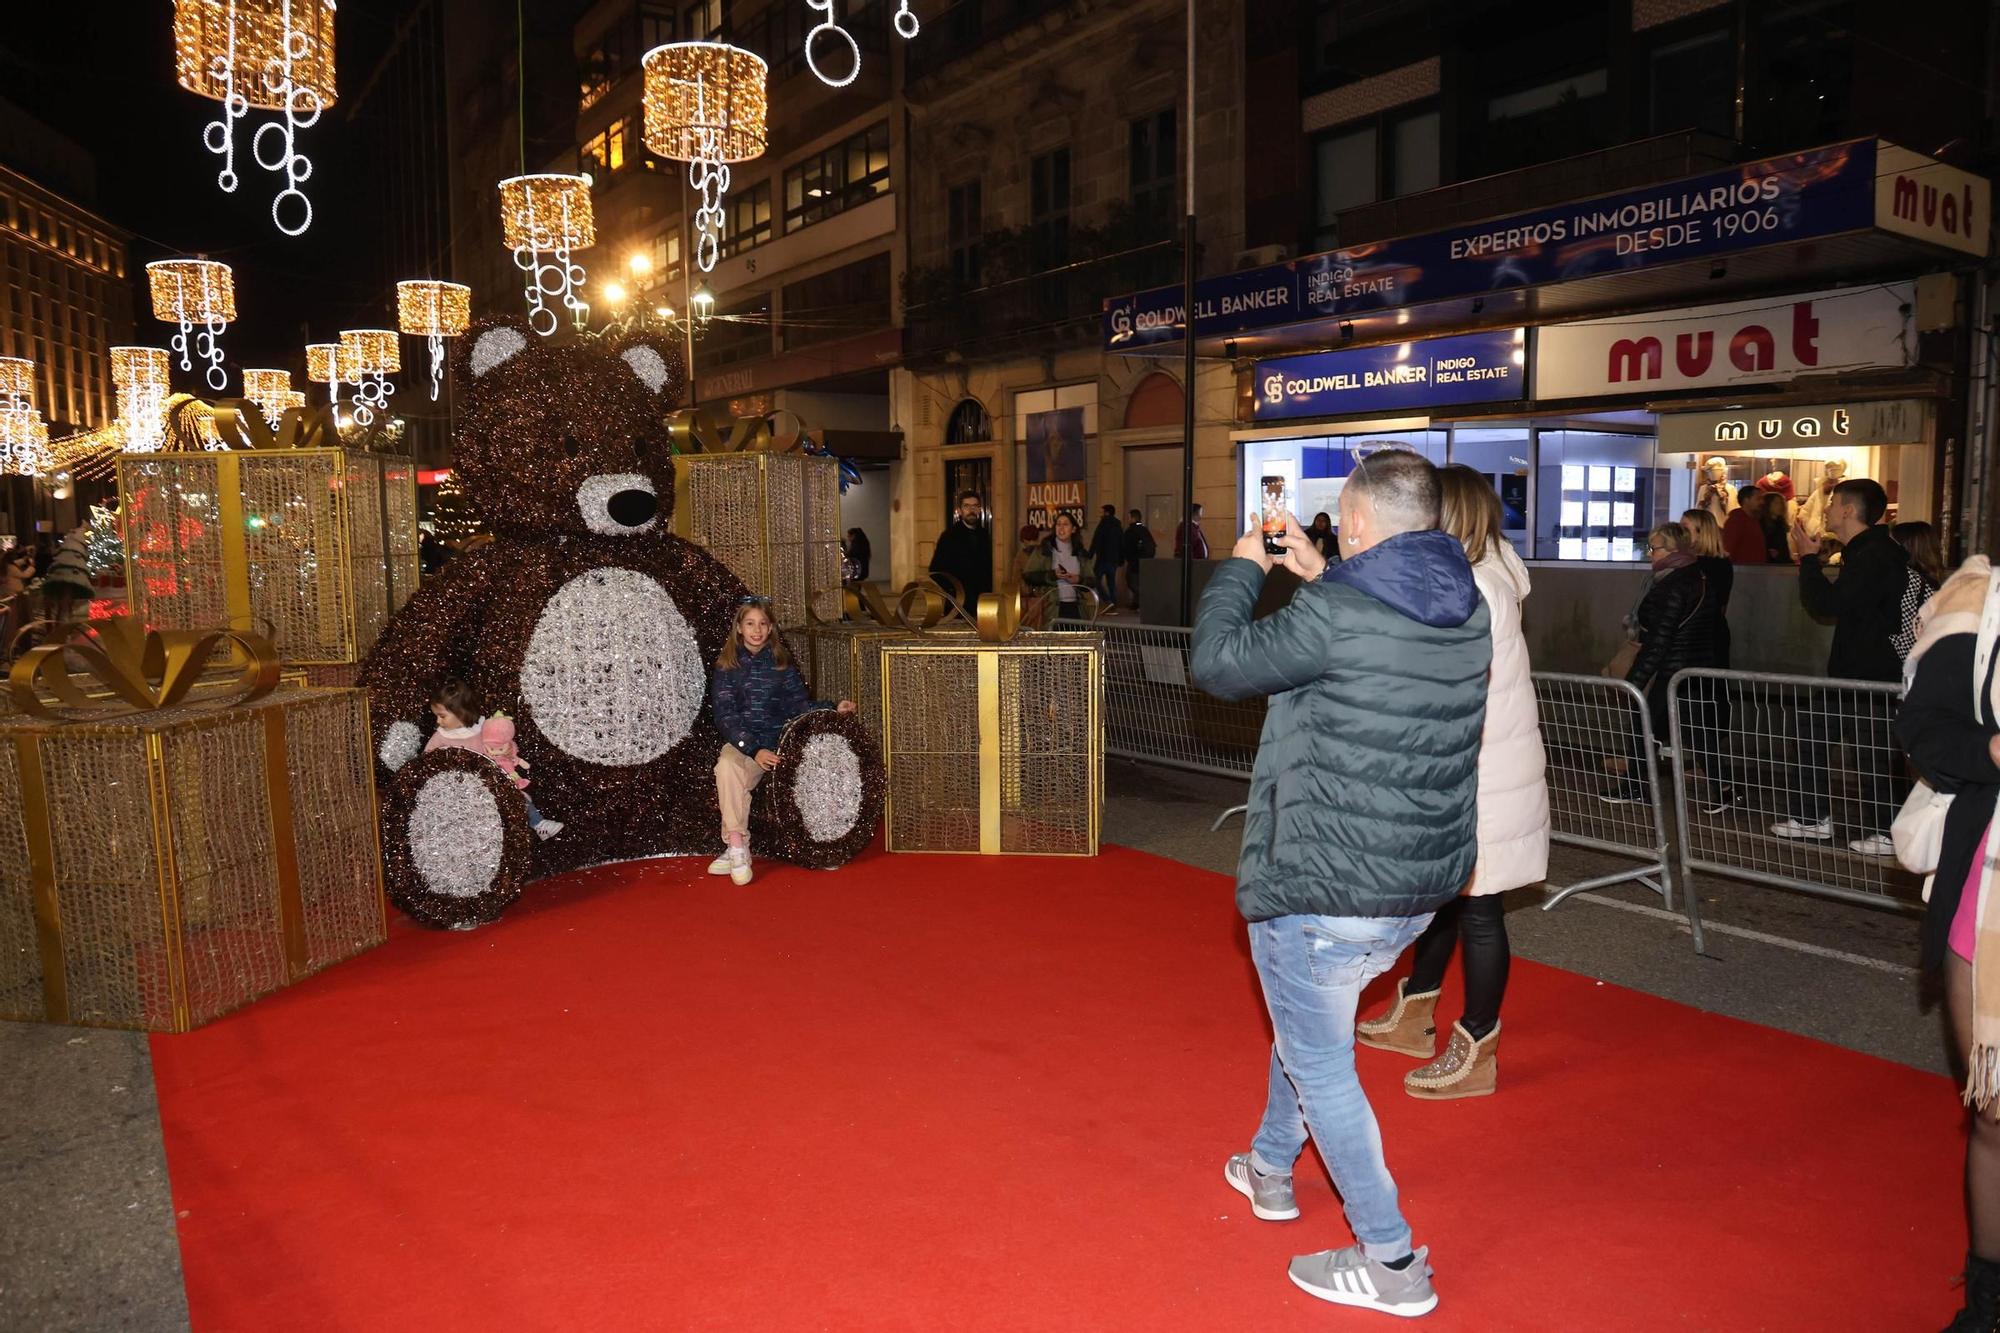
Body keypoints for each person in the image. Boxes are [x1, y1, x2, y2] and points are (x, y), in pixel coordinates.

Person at [1191, 450, 1489, 1319]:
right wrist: (1324, 574)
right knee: (1309, 1021)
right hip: (1417, 882)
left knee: (1322, 1060)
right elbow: (1375, 639)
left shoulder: (1336, 609)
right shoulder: (1466, 606)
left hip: (1324, 877)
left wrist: (1246, 564)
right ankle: (1272, 1170)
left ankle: (1394, 1262)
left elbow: (1216, 662)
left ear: (1357, 522)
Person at [1357, 467, 1546, 1100]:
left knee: (1482, 911)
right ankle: (1416, 1012)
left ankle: (1477, 1046)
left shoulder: (1478, 588)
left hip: (1482, 769)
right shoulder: (1484, 574)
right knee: (1448, 897)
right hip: (1477, 764)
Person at [1778, 478, 1907, 854]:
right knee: (1812, 731)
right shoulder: (1869, 552)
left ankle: (1889, 832)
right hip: (1855, 674)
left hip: (1872, 676)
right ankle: (1811, 818)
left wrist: (1807, 560)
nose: (1828, 509)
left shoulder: (1874, 555)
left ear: (1849, 510)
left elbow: (1828, 605)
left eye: (1833, 503)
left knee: (1873, 752)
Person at [709, 597, 856, 886]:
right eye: (750, 623)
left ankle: (822, 846)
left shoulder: (780, 664)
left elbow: (799, 706)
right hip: (747, 746)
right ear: (739, 628)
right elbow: (725, 717)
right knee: (726, 767)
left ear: (771, 627)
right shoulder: (727, 666)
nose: (757, 630)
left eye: (763, 624)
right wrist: (753, 749)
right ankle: (737, 845)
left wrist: (831, 707)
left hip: (782, 743)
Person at [1603, 522, 1722, 805]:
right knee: (1699, 735)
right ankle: (1725, 790)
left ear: (1672, 550)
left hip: (1671, 669)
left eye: (1654, 548)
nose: (1650, 554)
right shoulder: (1699, 576)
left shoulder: (1671, 584)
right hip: (1696, 668)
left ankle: (1634, 786)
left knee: (1643, 725)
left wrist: (1634, 681)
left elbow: (1659, 639)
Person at [425, 679, 563, 841]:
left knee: (515, 799)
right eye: (437, 716)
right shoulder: (441, 737)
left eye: (442, 716)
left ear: (461, 711)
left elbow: (503, 743)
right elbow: (426, 762)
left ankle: (539, 824)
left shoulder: (484, 728)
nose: (438, 721)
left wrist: (509, 750)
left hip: (491, 783)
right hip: (460, 792)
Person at [1680, 507, 1739, 812]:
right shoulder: (1720, 564)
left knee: (1697, 715)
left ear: (1701, 532)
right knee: (1699, 713)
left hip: (1700, 645)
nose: (1681, 533)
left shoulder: (1701, 567)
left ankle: (1724, 785)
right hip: (1710, 640)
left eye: (1686, 528)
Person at [929, 490, 993, 603]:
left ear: (979, 509)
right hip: (958, 602)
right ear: (959, 511)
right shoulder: (949, 536)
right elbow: (935, 570)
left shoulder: (985, 535)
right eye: (966, 506)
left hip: (982, 601)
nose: (971, 510)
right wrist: (952, 591)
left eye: (975, 506)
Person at [1025, 510, 1089, 619]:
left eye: (1065, 524)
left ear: (1073, 529)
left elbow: (1092, 580)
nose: (1061, 528)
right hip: (1051, 609)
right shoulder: (1043, 551)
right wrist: (1052, 575)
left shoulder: (1080, 553)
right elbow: (1028, 576)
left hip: (1076, 609)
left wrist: (1079, 580)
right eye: (1058, 524)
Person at [1721, 484, 1768, 565]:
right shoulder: (1736, 521)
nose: (1762, 502)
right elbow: (1729, 548)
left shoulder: (1755, 520)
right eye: (1758, 499)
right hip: (1742, 571)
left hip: (1755, 570)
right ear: (1746, 500)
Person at [1088, 504, 1123, 612]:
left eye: (1102, 512)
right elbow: (1121, 543)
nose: (1100, 514)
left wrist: (1090, 554)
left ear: (1107, 512)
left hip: (1102, 559)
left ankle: (1107, 600)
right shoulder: (1118, 525)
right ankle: (1113, 603)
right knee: (1111, 583)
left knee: (1095, 580)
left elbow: (1096, 540)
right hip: (1113, 559)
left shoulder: (1102, 524)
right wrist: (1120, 559)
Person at [1122, 509, 1155, 609]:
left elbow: (1127, 547)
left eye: (1128, 517)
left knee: (1131, 582)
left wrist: (1128, 559)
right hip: (1145, 562)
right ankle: (1136, 603)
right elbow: (1152, 546)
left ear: (1133, 518)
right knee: (1137, 582)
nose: (1127, 519)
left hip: (1134, 562)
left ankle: (1142, 602)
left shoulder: (1131, 531)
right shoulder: (1144, 529)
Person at [1695, 457, 1737, 526]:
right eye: (1710, 471)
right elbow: (1698, 509)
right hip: (1707, 527)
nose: (1714, 474)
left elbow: (1733, 510)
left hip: (1724, 526)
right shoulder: (1703, 488)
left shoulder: (1730, 489)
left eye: (1717, 471)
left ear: (1722, 471)